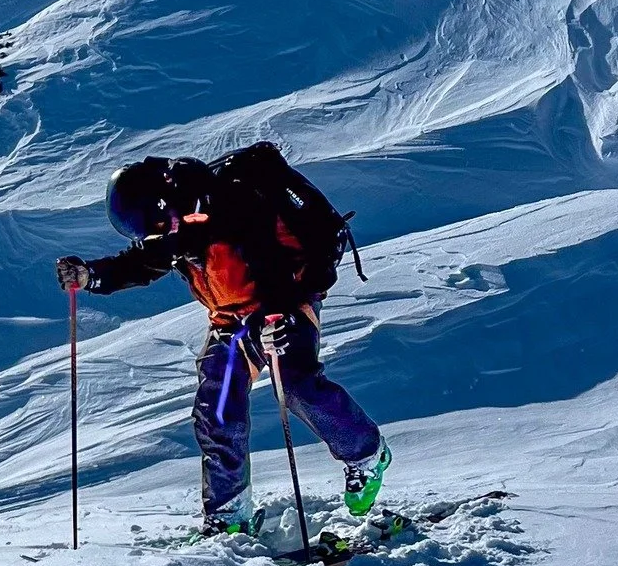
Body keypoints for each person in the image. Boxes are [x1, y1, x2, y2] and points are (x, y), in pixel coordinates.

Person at [56, 147, 389, 536]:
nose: (154, 234)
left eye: (153, 225)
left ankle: (366, 455)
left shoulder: (235, 203)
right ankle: (229, 513)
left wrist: (275, 318)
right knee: (216, 406)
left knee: (296, 384)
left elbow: (276, 267)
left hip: (284, 303)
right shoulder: (174, 223)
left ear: (164, 205)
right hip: (231, 321)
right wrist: (91, 276)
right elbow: (143, 261)